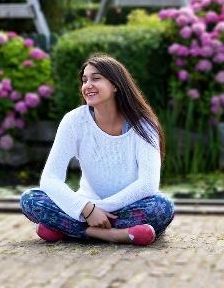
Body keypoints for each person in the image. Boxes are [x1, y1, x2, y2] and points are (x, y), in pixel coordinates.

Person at [20, 53, 175, 246]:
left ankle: (68, 230)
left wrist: (97, 210)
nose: (87, 85)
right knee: (30, 199)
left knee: (162, 207)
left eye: (96, 78)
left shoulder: (143, 125)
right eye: (84, 80)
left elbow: (147, 184)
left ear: (116, 85)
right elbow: (50, 179)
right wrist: (86, 208)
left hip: (126, 207)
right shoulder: (74, 121)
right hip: (85, 209)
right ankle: (115, 235)